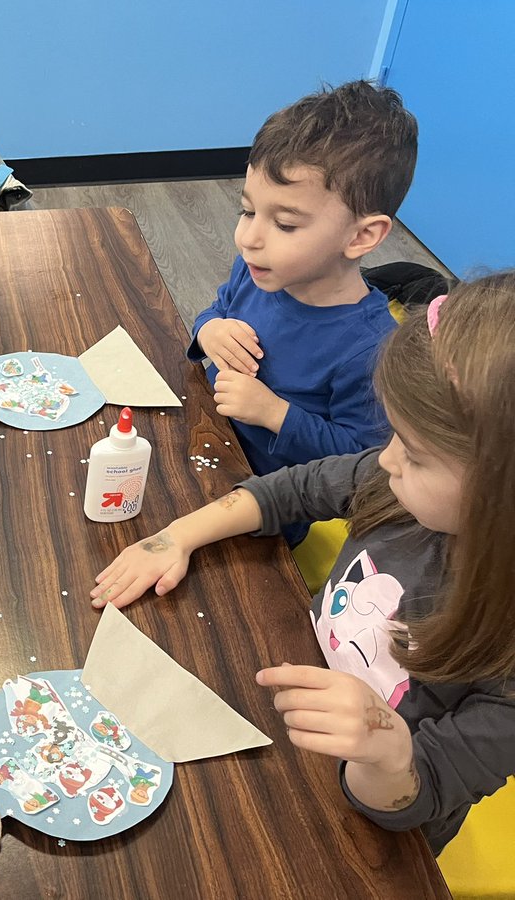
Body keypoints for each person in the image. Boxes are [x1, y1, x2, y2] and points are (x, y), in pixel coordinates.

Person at [92, 272, 515, 853]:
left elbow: (416, 797)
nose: (384, 459)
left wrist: (386, 750)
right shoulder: (399, 488)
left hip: (367, 823)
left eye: (414, 455)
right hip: (293, 692)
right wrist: (177, 536)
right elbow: (290, 490)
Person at [188, 81, 418, 526]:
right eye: (248, 211)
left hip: (266, 506)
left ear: (361, 236)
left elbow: (364, 465)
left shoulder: (370, 348)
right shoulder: (258, 271)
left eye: (286, 224)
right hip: (206, 440)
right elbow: (216, 308)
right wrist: (209, 329)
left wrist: (276, 414)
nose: (249, 238)